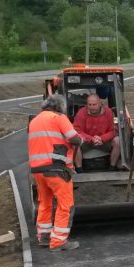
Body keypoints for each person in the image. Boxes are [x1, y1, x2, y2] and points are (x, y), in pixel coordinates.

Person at [28, 94, 83, 251]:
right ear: (60, 106)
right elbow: (73, 138)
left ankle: (44, 237)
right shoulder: (59, 117)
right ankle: (58, 241)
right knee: (66, 204)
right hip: (57, 168)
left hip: (38, 170)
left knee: (45, 202)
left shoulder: (35, 120)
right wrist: (82, 140)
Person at [73, 93, 120, 170]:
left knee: (118, 141)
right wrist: (91, 139)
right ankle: (79, 169)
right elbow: (77, 130)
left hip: (104, 142)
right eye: (89, 105)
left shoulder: (108, 112)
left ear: (100, 104)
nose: (91, 107)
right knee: (75, 142)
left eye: (94, 104)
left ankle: (112, 167)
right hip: (86, 142)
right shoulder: (81, 113)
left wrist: (102, 138)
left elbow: (113, 130)